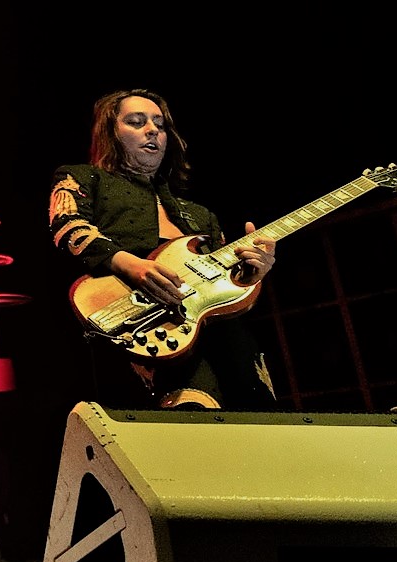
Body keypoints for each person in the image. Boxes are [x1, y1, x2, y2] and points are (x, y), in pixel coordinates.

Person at [47, 88, 278, 409]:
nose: (152, 130)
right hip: (141, 327)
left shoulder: (198, 215)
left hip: (223, 337)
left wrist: (253, 271)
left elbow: (229, 288)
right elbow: (68, 226)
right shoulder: (84, 178)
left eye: (159, 123)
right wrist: (130, 265)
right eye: (136, 122)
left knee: (261, 418)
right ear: (110, 132)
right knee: (193, 422)